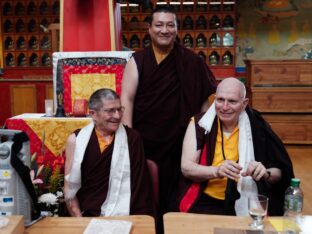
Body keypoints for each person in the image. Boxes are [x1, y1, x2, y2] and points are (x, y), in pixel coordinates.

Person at [121, 5, 217, 215]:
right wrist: (129, 137)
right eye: (159, 25)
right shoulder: (138, 60)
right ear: (149, 29)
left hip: (183, 141)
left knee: (179, 191)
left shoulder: (192, 61)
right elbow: (126, 99)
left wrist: (203, 136)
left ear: (176, 29)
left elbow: (204, 102)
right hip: (146, 141)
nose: (164, 30)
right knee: (148, 190)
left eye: (170, 25)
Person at [176, 78, 294, 216]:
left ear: (244, 103)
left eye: (232, 101)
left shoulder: (258, 127)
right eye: (220, 100)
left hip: (249, 201)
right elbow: (186, 167)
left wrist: (265, 173)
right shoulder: (199, 124)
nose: (224, 107)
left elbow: (279, 172)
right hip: (205, 200)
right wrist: (216, 171)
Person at [64, 88, 155, 217]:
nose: (117, 116)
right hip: (87, 215)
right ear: (93, 114)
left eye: (119, 109)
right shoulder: (76, 140)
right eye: (110, 111)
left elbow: (140, 190)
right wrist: (79, 221)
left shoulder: (132, 139)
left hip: (126, 214)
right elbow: (70, 189)